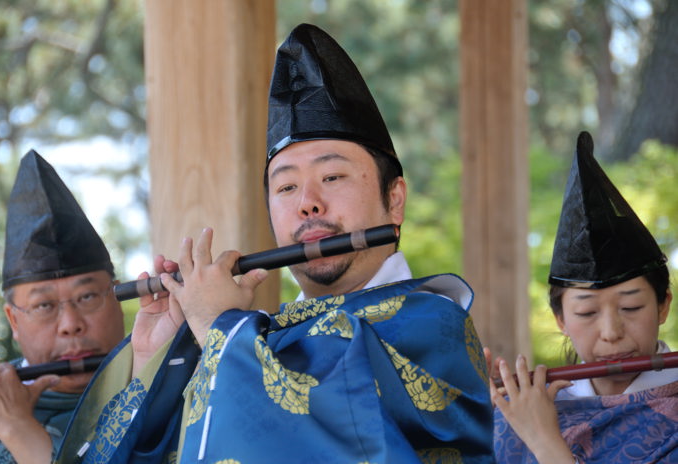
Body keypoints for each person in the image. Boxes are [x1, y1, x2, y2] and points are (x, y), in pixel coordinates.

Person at [55, 23, 494, 463]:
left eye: (333, 176)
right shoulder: (255, 337)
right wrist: (154, 361)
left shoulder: (432, 323)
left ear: (394, 200)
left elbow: (341, 436)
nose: (308, 204)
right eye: (286, 188)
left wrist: (219, 326)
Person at [488, 132, 678, 463]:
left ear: (663, 305)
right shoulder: (520, 413)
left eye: (631, 307)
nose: (611, 332)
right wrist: (466, 418)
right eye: (587, 313)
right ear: (560, 319)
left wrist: (544, 441)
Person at [0, 150, 125, 464]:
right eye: (44, 305)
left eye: (87, 297)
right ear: (13, 321)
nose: (70, 323)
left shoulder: (169, 388)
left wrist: (17, 429)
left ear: (117, 296)